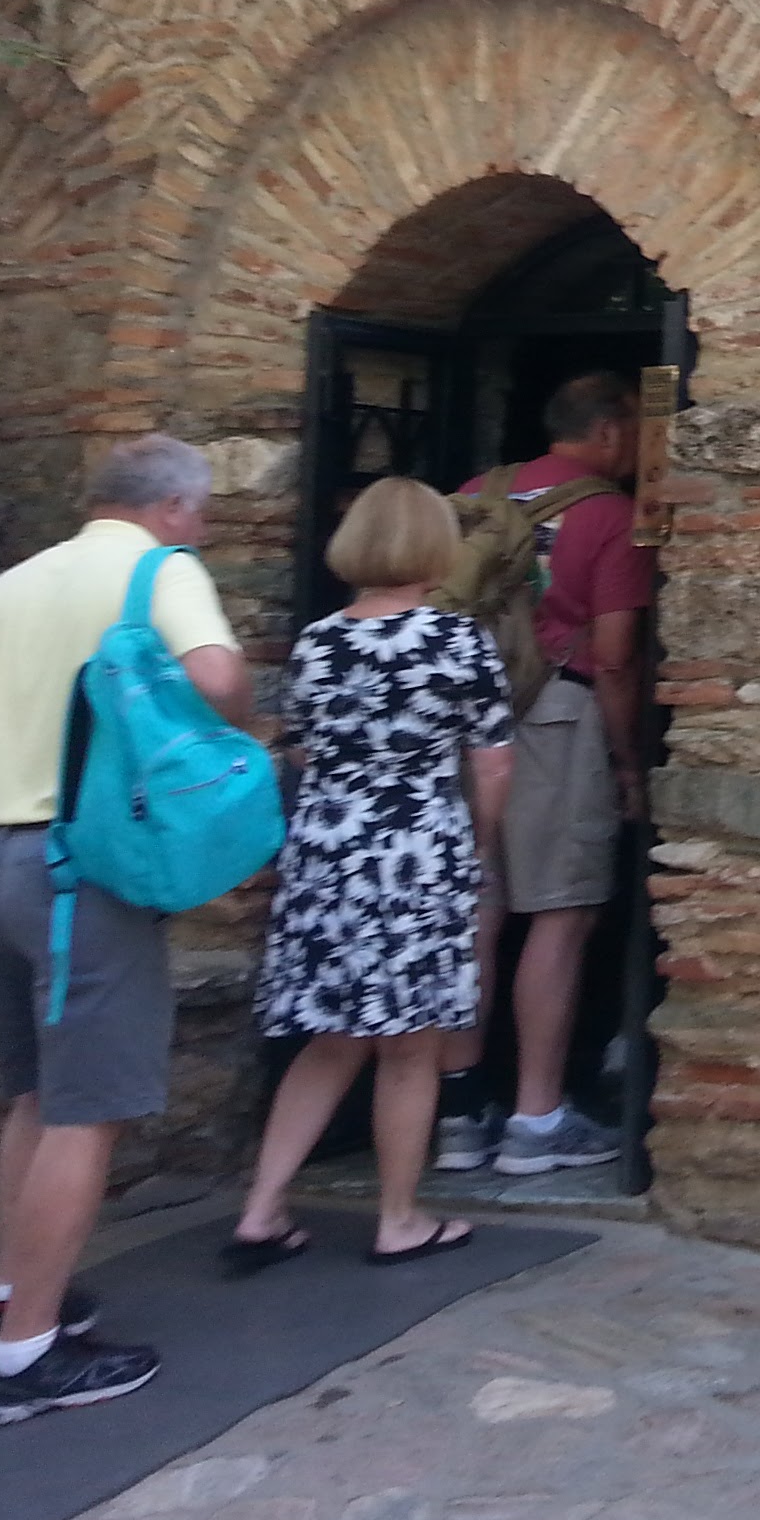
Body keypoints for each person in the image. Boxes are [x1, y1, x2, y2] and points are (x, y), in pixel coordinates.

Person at [0, 436, 252, 1424]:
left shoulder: (13, 585)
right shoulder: (160, 571)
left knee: (35, 1092)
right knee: (90, 1107)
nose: (199, 530)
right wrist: (227, 733)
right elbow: (214, 676)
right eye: (199, 514)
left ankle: (12, 1293)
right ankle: (23, 1359)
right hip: (83, 868)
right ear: (173, 507)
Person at [225, 479, 514, 1272]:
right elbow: (491, 767)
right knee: (411, 1045)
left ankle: (260, 1209)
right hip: (416, 850)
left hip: (326, 852)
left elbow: (301, 749)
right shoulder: (459, 643)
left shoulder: (318, 642)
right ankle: (398, 1217)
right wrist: (480, 848)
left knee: (331, 1039)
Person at [445, 371, 650, 1177]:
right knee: (559, 915)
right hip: (557, 717)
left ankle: (459, 1113)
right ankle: (537, 1117)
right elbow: (615, 656)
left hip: (459, 724)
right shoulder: (606, 512)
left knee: (480, 909)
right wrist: (628, 762)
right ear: (606, 432)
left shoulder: (472, 492)